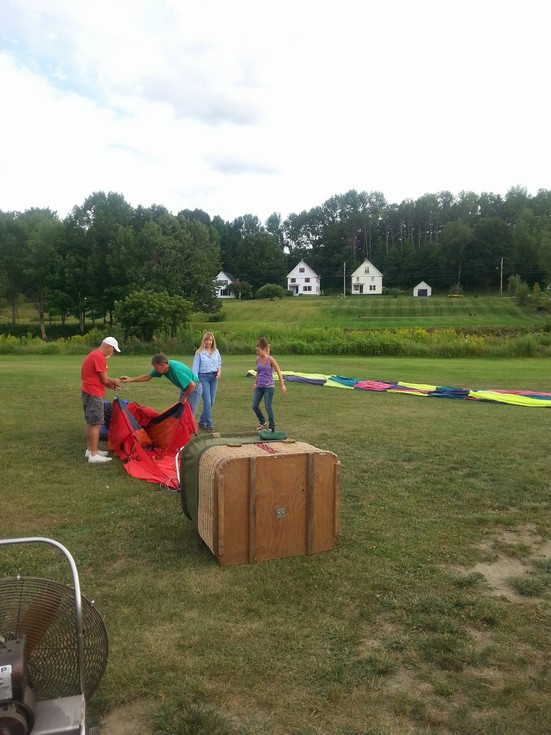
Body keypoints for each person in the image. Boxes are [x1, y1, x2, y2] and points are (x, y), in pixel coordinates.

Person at [81, 336, 122, 464]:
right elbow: (104, 379)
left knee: (91, 422)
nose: (112, 353)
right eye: (113, 350)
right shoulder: (99, 357)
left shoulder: (93, 354)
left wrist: (111, 385)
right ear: (108, 347)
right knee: (97, 423)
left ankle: (90, 450)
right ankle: (93, 455)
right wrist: (115, 381)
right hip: (94, 394)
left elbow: (99, 378)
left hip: (88, 391)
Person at [120, 353, 199, 414]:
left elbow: (192, 385)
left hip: (194, 388)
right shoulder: (163, 368)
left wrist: (184, 398)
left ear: (163, 365)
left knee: (189, 413)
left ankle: (190, 430)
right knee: (180, 411)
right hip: (185, 388)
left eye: (156, 367)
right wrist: (130, 379)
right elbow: (147, 377)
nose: (155, 369)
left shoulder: (176, 370)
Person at [251, 337, 286, 432]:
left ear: (263, 350)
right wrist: (255, 383)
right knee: (254, 405)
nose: (257, 352)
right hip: (259, 386)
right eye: (256, 350)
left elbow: (278, 371)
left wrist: (282, 385)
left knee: (268, 406)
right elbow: (258, 372)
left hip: (268, 387)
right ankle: (263, 423)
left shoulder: (270, 359)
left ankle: (272, 426)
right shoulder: (257, 359)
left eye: (258, 350)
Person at [191, 331, 222, 431]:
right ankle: (209, 424)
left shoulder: (216, 351)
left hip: (213, 377)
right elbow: (195, 368)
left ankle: (202, 421)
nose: (208, 342)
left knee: (211, 402)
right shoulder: (199, 353)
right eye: (207, 340)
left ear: (213, 341)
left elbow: (219, 363)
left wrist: (219, 372)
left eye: (210, 340)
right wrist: (195, 381)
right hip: (203, 377)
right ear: (203, 341)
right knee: (207, 402)